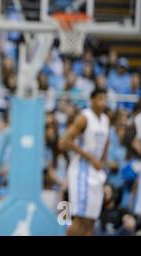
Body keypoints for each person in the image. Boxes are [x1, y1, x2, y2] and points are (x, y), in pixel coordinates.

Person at [60, 87, 110, 236]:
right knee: (77, 219)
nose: (103, 102)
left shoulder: (106, 120)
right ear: (92, 100)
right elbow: (64, 142)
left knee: (91, 220)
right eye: (100, 98)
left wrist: (103, 161)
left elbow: (107, 142)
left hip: (95, 173)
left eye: (105, 98)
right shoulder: (84, 117)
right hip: (80, 173)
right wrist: (90, 157)